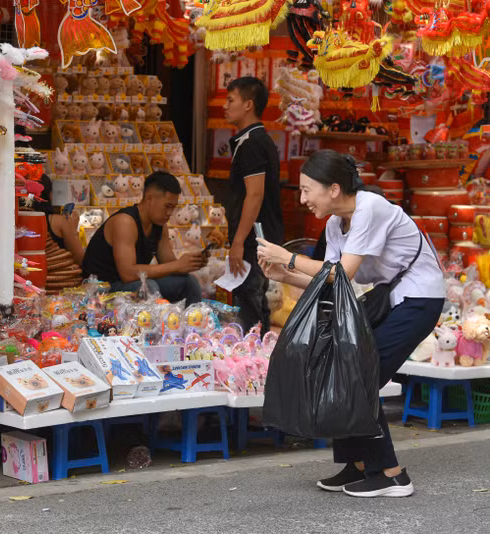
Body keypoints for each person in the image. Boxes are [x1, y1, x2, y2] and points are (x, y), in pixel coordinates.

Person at [257, 150, 445, 498]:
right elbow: (331, 280)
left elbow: (343, 272)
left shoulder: (369, 207)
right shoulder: (333, 223)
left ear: (332, 189)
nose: (302, 199)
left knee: (358, 375)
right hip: (393, 298)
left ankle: (391, 474)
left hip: (421, 298)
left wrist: (290, 257)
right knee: (343, 367)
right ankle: (357, 465)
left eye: (305, 190)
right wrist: (284, 273)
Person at [82, 171, 206, 304]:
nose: (170, 213)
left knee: (189, 282)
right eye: (167, 206)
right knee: (147, 287)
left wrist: (190, 263)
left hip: (131, 284)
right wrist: (176, 265)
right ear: (149, 199)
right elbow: (127, 274)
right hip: (101, 289)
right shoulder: (125, 222)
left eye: (173, 207)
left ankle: (195, 321)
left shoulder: (159, 224)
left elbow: (169, 264)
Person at [220, 76, 284, 331]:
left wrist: (238, 242)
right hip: (256, 237)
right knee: (252, 300)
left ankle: (256, 359)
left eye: (230, 100)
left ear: (248, 104)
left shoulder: (253, 143)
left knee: (251, 301)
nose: (225, 105)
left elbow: (254, 195)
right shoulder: (252, 140)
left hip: (254, 239)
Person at [35, 174, 84, 266]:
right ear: (49, 194)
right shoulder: (58, 222)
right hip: (57, 276)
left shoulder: (16, 219)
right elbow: (80, 259)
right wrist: (73, 230)